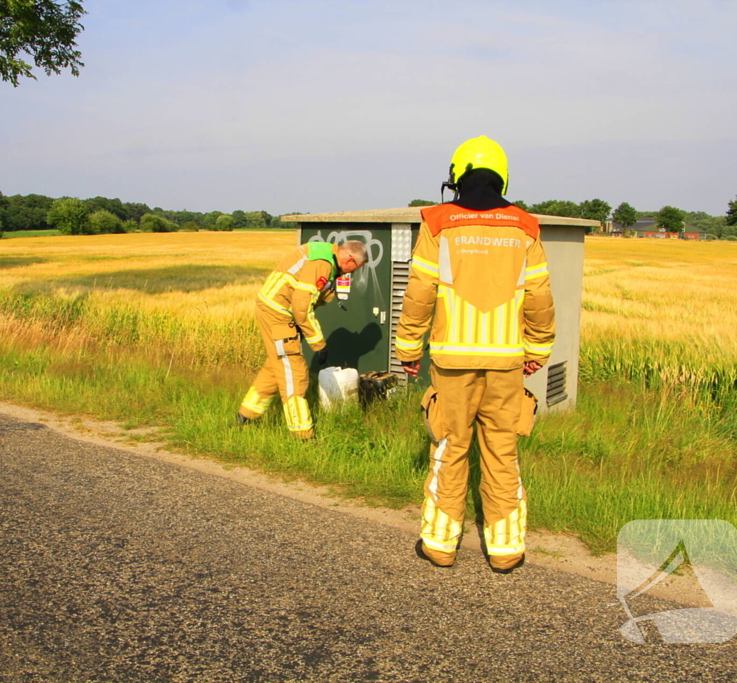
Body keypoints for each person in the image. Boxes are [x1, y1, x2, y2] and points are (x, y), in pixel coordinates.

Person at [394, 135, 555, 573]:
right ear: (501, 175)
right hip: (506, 362)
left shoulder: (440, 224)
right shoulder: (524, 227)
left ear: (456, 176)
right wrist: (538, 346)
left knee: (450, 447)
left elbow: (420, 290)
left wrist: (408, 345)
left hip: (451, 363)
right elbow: (539, 294)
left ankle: (441, 545)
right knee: (502, 450)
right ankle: (505, 551)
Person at [237, 239, 368, 439]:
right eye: (355, 267)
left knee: (276, 367)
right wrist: (319, 344)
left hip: (273, 309)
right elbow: (301, 308)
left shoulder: (326, 256)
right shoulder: (322, 264)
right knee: (294, 372)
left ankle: (246, 416)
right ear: (349, 258)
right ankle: (303, 435)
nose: (352, 273)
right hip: (278, 314)